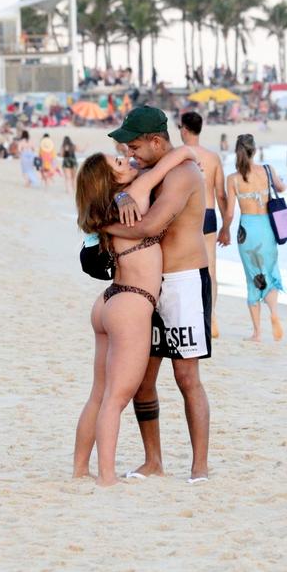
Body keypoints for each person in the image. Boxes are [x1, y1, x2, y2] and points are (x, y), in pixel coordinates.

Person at [72, 144, 198, 485]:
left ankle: (80, 470)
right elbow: (173, 159)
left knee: (99, 393)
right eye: (118, 162)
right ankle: (107, 478)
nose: (126, 160)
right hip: (132, 302)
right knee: (116, 397)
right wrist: (187, 151)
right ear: (110, 180)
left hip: (107, 301)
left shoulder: (101, 211)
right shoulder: (137, 190)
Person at [104, 106, 212, 484]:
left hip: (184, 281)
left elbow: (150, 225)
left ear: (156, 141)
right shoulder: (150, 171)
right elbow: (120, 190)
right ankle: (153, 461)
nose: (130, 154)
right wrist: (120, 200)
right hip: (149, 286)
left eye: (135, 146)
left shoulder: (183, 175)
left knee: (186, 376)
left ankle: (199, 466)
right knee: (142, 379)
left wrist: (102, 225)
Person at [219, 134, 285, 342]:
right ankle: (274, 313)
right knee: (270, 271)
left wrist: (225, 230)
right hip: (267, 228)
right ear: (254, 150)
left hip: (247, 230)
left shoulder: (233, 179)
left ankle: (257, 333)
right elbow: (281, 188)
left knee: (253, 277)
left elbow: (229, 213)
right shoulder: (267, 170)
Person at [178, 111, 226, 339]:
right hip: (209, 212)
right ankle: (212, 315)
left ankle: (193, 314)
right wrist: (227, 224)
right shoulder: (213, 157)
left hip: (188, 214)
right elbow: (221, 194)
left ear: (185, 130)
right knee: (211, 269)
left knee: (185, 267)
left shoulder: (179, 155)